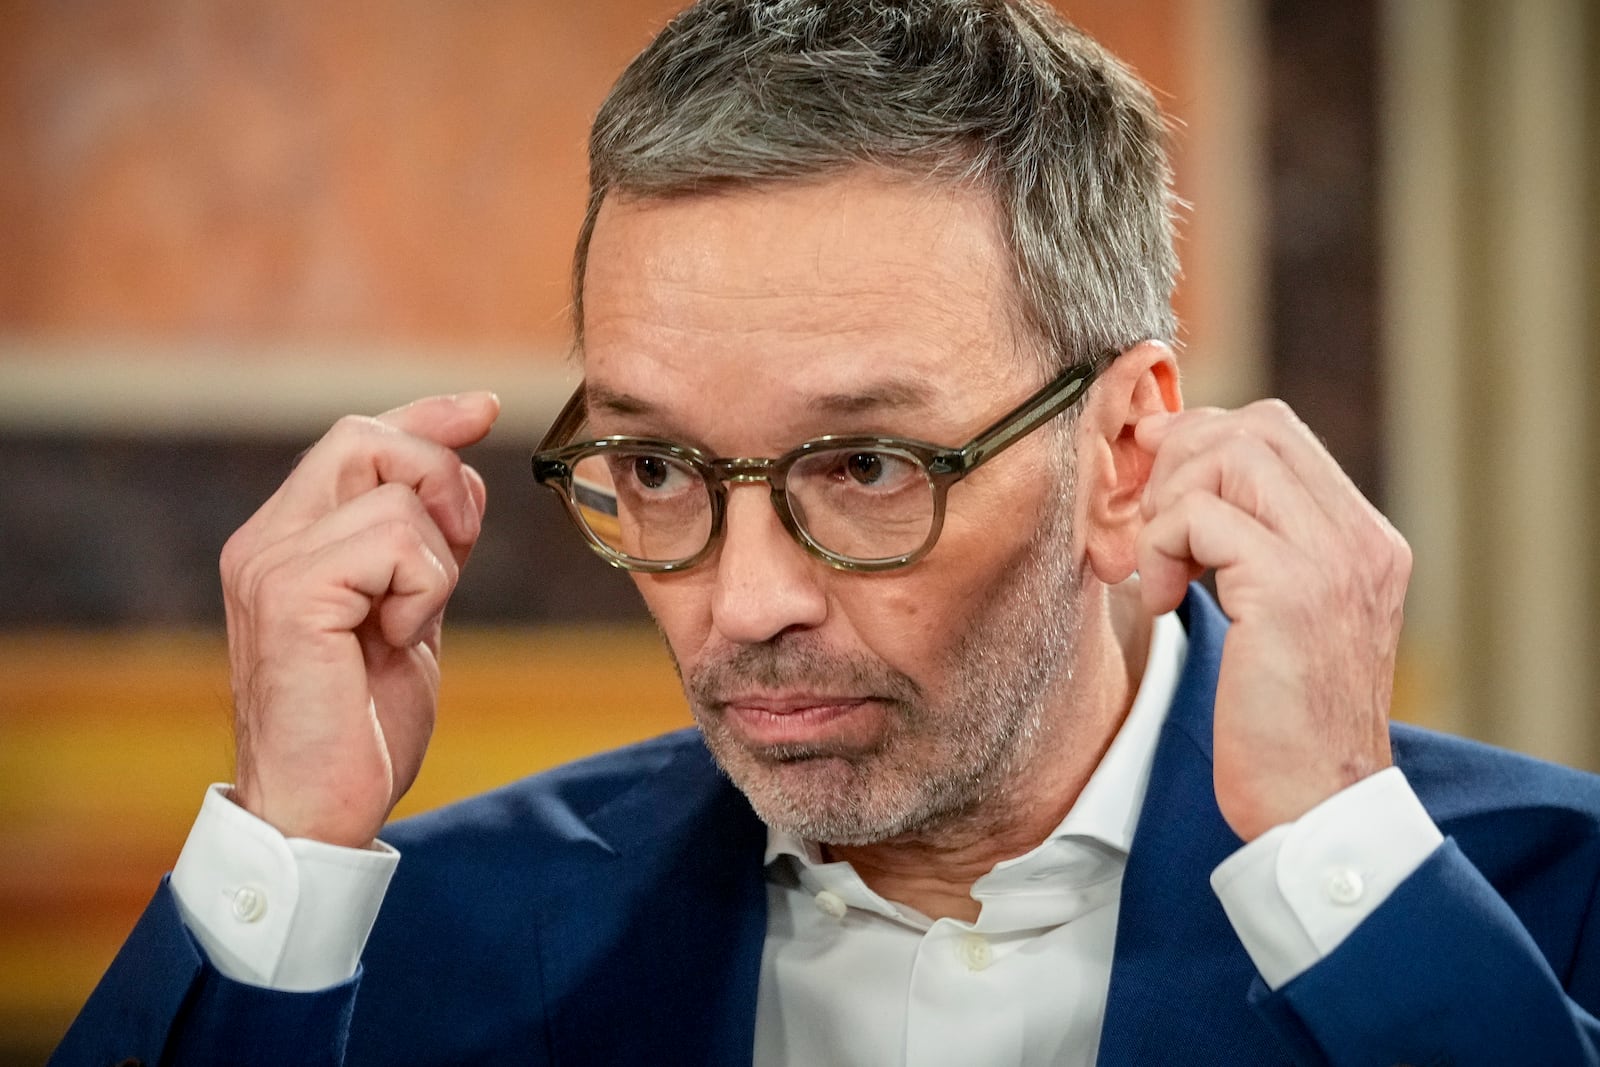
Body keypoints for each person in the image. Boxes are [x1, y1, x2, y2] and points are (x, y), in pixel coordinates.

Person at [52, 1, 1600, 1064]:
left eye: (864, 464)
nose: (743, 604)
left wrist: (1343, 866)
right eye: (654, 467)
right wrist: (286, 845)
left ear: (1124, 448)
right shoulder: (384, 940)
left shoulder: (1539, 914)